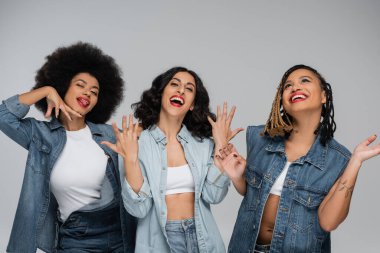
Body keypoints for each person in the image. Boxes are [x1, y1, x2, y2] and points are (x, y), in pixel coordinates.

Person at [220, 65, 380, 253]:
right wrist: (237, 176)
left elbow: (328, 222)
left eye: (305, 80)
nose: (295, 87)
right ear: (282, 100)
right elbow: (252, 194)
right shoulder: (259, 137)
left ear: (324, 96)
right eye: (288, 85)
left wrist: (355, 162)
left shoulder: (338, 159)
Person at [0, 42, 136, 253]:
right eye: (80, 85)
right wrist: (45, 90)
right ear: (64, 86)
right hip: (77, 236)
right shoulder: (40, 135)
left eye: (94, 91)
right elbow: (4, 116)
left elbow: (151, 134)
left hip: (118, 231)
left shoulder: (108, 133)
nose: (87, 93)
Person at [103, 66, 242, 253]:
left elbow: (213, 195)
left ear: (192, 104)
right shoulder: (135, 142)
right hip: (158, 241)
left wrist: (220, 145)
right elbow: (139, 209)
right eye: (174, 84)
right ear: (161, 94)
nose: (181, 90)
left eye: (189, 88)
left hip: (202, 237)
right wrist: (131, 161)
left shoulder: (203, 145)